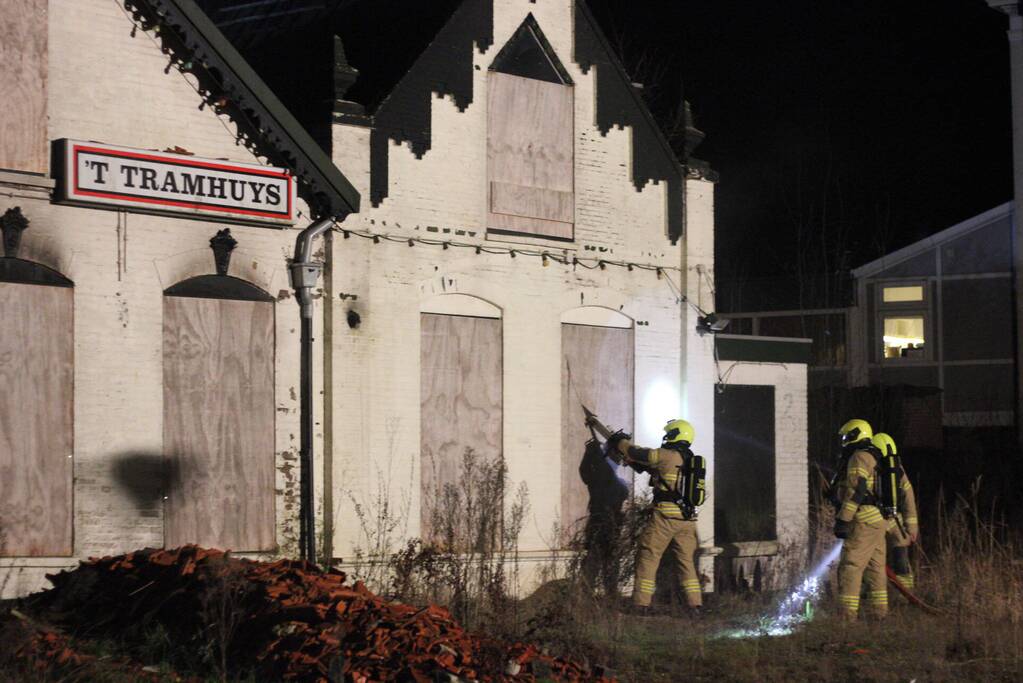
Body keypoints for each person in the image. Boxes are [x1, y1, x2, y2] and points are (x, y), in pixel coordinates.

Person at [598, 418, 704, 614]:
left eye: (669, 433)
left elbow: (636, 452)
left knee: (648, 556)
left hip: (665, 518)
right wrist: (634, 463)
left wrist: (619, 441)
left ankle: (641, 605)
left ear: (675, 435)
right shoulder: (689, 459)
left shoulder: (665, 455)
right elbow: (655, 469)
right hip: (687, 521)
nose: (666, 436)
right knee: (686, 563)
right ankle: (695, 606)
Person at [832, 419, 889, 620]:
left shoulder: (858, 457)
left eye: (846, 437)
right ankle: (879, 614)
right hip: (879, 519)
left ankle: (846, 617)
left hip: (863, 519)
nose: (844, 441)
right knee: (875, 568)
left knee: (851, 566)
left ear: (855, 435)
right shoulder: (874, 455)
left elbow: (856, 490)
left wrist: (843, 519)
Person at [872, 432, 919, 595]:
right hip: (895, 520)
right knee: (900, 557)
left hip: (874, 519)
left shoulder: (869, 465)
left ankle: (873, 594)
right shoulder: (897, 468)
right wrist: (912, 527)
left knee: (873, 559)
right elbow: (908, 496)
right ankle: (907, 593)